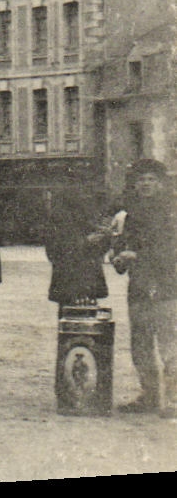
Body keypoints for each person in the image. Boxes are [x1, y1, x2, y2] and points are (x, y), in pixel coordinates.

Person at [110, 159, 176, 418]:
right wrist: (119, 260)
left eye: (151, 180)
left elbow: (171, 252)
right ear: (134, 186)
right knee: (141, 346)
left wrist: (136, 256)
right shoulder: (130, 216)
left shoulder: (172, 213)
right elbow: (122, 249)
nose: (145, 184)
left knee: (170, 345)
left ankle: (173, 400)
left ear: (161, 183)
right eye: (141, 180)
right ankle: (149, 396)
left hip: (167, 287)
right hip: (138, 287)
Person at [45, 190, 110, 313]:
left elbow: (100, 250)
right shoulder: (58, 220)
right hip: (68, 278)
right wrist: (86, 242)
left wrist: (104, 237)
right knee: (71, 319)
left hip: (89, 279)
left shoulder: (90, 217)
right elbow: (54, 251)